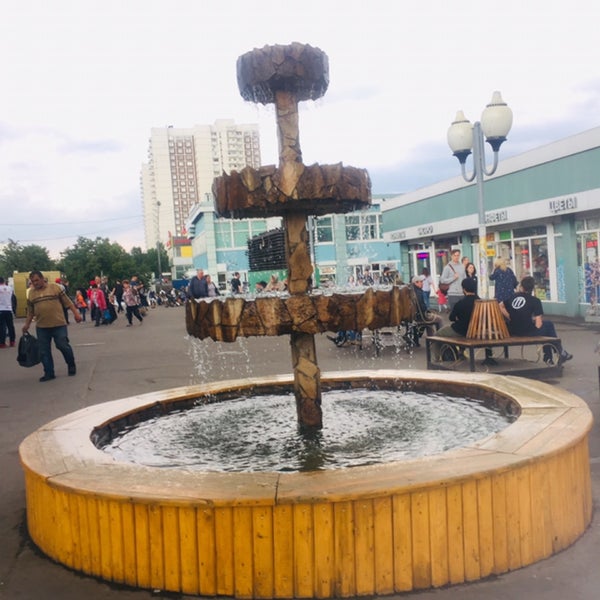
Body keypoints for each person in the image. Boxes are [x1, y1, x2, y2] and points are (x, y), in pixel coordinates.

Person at [22, 270, 82, 381]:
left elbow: (68, 302)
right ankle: (49, 373)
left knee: (62, 345)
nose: (35, 283)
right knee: (44, 350)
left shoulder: (55, 288)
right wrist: (27, 325)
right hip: (42, 327)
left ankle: (71, 364)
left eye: (36, 280)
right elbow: (30, 311)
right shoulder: (31, 293)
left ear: (42, 278)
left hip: (58, 324)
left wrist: (76, 314)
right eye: (33, 281)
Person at [499, 275, 573, 365]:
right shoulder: (535, 301)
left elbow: (500, 305)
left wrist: (510, 316)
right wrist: (533, 323)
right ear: (532, 289)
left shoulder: (512, 297)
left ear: (521, 287)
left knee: (547, 329)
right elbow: (539, 324)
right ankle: (557, 353)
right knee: (548, 326)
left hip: (513, 330)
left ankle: (552, 356)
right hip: (526, 332)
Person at [431, 278, 479, 360]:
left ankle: (438, 359)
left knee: (437, 335)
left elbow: (451, 318)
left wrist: (458, 318)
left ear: (464, 289)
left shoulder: (461, 303)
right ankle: (461, 353)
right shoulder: (481, 302)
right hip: (477, 331)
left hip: (461, 331)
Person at [405, 275, 442, 347]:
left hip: (413, 316)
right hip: (420, 316)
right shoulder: (419, 292)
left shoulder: (410, 291)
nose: (422, 283)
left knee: (429, 323)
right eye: (421, 282)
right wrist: (428, 311)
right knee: (439, 319)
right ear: (416, 283)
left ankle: (432, 340)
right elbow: (422, 307)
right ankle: (441, 338)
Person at [0, 277, 16, 348]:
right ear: (4, 281)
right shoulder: (10, 288)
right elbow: (13, 298)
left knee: (2, 326)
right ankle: (12, 341)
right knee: (10, 326)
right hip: (9, 309)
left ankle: (2, 343)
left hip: (1, 309)